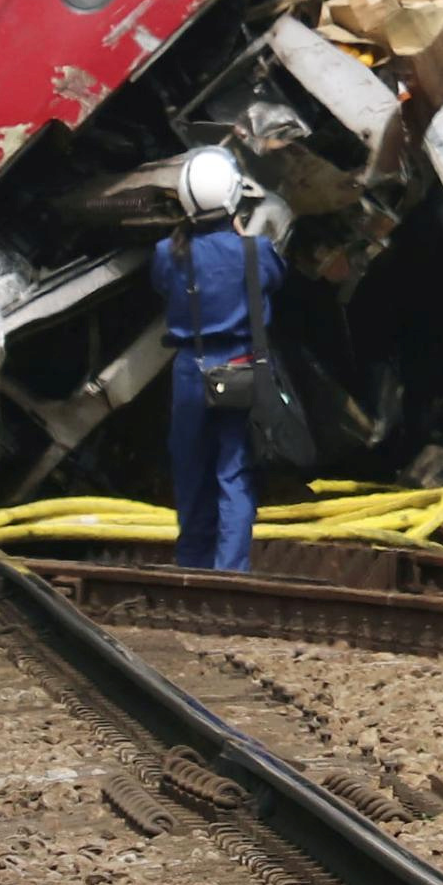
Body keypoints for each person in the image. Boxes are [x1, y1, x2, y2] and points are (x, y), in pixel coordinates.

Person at [152, 146, 270, 572]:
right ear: (234, 196)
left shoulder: (169, 252)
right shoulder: (256, 252)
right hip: (239, 367)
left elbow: (162, 286)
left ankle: (191, 564)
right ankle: (231, 571)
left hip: (190, 370)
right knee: (233, 469)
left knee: (190, 468)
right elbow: (277, 279)